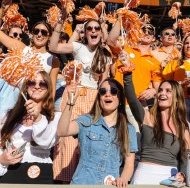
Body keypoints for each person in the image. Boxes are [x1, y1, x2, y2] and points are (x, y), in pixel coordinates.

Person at [49, 17, 111, 183]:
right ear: (85, 32)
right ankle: (63, 180)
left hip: (93, 99)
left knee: (87, 144)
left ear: (100, 32)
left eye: (96, 28)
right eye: (89, 28)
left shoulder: (105, 55)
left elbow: (103, 84)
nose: (93, 31)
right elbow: (53, 46)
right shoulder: (78, 47)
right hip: (74, 95)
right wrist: (60, 22)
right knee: (67, 143)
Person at [57, 78, 137, 186]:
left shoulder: (129, 129)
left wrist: (123, 179)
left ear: (120, 99)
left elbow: (129, 165)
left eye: (113, 91)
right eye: (103, 92)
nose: (107, 95)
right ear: (99, 98)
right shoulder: (86, 121)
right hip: (83, 183)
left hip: (109, 185)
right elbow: (62, 131)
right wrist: (70, 103)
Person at [123, 61, 190, 184]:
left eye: (168, 91)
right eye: (160, 90)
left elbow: (185, 157)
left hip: (169, 178)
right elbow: (132, 99)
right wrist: (127, 74)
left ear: (176, 98)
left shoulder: (182, 126)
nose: (162, 94)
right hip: (143, 176)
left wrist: (183, 175)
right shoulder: (147, 117)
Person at [0, 71, 61, 183]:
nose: (37, 86)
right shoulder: (8, 115)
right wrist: (1, 159)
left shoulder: (55, 116)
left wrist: (37, 117)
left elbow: (45, 142)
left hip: (39, 172)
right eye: (32, 82)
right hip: (10, 172)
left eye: (42, 84)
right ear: (26, 87)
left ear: (48, 88)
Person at [0, 21, 60, 112]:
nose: (39, 34)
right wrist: (3, 8)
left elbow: (51, 90)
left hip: (31, 104)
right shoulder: (22, 48)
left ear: (49, 36)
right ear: (32, 34)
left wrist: (46, 110)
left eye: (43, 32)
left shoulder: (53, 60)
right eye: (36, 31)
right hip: (9, 96)